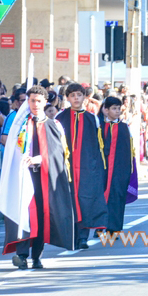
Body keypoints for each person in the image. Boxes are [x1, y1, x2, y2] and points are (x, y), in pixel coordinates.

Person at [0, 86, 75, 269]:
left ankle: (37, 255)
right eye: (31, 100)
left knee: (41, 216)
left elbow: (58, 153)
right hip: (23, 177)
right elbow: (12, 148)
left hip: (43, 178)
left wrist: (38, 159)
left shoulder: (53, 125)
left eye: (38, 101)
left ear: (45, 102)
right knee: (24, 214)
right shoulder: (21, 124)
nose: (34, 104)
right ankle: (22, 255)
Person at [56, 83, 108, 249]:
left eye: (79, 95)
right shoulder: (60, 118)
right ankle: (71, 236)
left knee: (85, 200)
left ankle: (83, 237)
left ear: (84, 97)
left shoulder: (92, 118)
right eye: (72, 95)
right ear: (67, 98)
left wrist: (99, 167)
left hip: (87, 167)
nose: (76, 98)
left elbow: (99, 146)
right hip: (67, 167)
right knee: (69, 201)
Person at [101, 96, 136, 233]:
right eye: (113, 108)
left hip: (120, 169)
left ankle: (114, 228)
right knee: (103, 196)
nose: (117, 111)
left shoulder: (124, 127)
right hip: (103, 169)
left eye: (118, 109)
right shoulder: (100, 127)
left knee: (117, 197)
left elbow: (129, 149)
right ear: (106, 110)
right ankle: (101, 226)